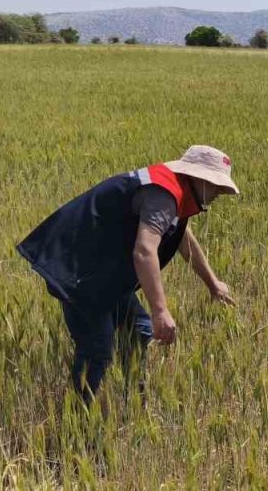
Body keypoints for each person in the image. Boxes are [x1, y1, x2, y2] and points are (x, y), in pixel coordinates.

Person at [17, 145, 240, 406]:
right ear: (198, 178)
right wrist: (160, 310)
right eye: (216, 186)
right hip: (79, 268)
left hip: (102, 269)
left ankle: (133, 402)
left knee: (139, 330)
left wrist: (213, 283)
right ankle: (77, 414)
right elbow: (144, 251)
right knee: (98, 348)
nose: (218, 193)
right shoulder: (164, 195)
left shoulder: (176, 192)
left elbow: (183, 237)